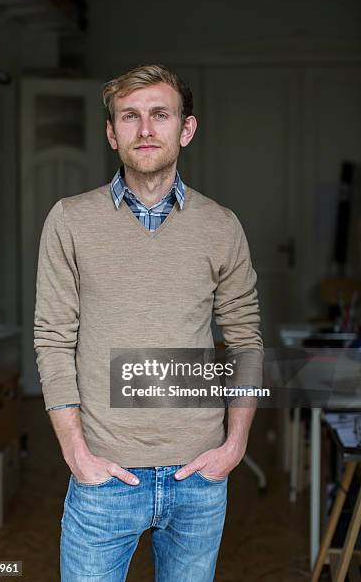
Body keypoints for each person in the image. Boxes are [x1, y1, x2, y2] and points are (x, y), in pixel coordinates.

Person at [34, 64, 264, 582]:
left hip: (200, 474)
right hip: (104, 476)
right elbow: (52, 339)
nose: (145, 129)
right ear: (112, 133)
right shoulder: (70, 219)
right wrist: (77, 454)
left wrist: (234, 446)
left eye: (160, 115)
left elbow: (245, 340)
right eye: (130, 117)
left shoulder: (221, 226)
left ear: (186, 129)